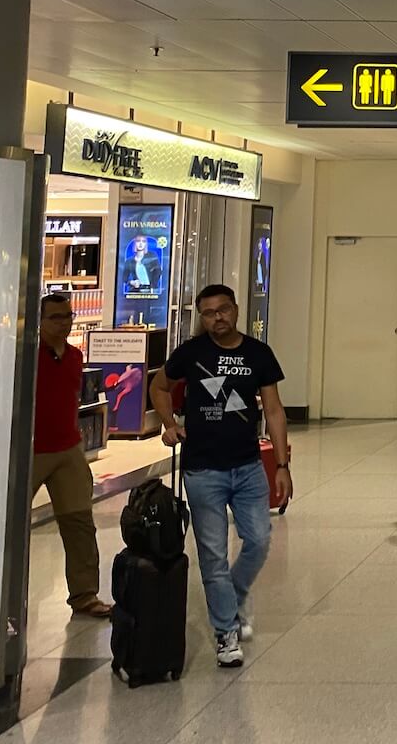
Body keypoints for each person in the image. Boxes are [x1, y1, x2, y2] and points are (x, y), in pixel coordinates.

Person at [152, 284, 291, 669]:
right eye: (209, 313)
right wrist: (169, 424)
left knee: (259, 540)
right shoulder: (191, 353)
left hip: (248, 467)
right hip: (202, 470)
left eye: (224, 309)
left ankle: (233, 594)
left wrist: (282, 464)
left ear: (236, 309)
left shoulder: (258, 353)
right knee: (212, 555)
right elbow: (159, 386)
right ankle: (226, 631)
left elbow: (274, 410)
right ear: (202, 316)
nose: (218, 318)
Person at [31, 293, 112, 619]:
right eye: (55, 317)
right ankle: (1, 593)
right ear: (39, 321)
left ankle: (85, 595)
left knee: (79, 524)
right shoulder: (26, 357)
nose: (64, 323)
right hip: (31, 452)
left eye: (68, 316)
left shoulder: (75, 356)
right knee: (10, 526)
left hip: (68, 449)